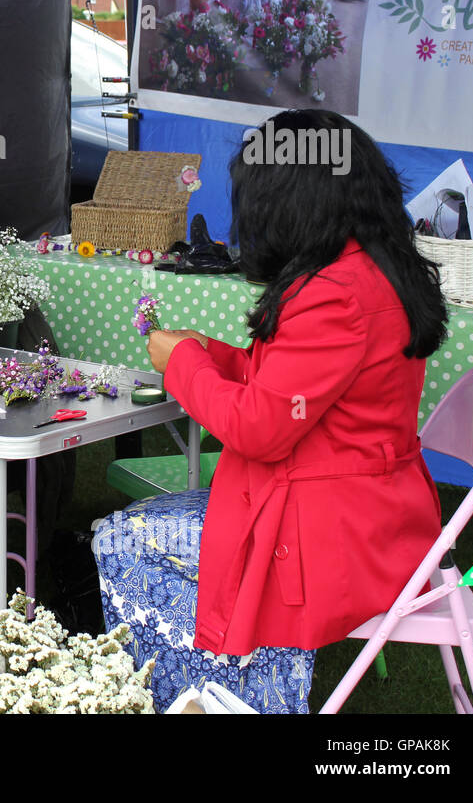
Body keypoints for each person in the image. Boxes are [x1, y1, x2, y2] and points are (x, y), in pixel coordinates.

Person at [93, 109, 447, 713]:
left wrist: (184, 366)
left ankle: (214, 697)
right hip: (367, 509)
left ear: (293, 200)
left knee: (122, 536)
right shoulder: (373, 268)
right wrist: (211, 356)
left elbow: (257, 428)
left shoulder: (334, 293)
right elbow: (296, 392)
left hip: (331, 531)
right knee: (140, 533)